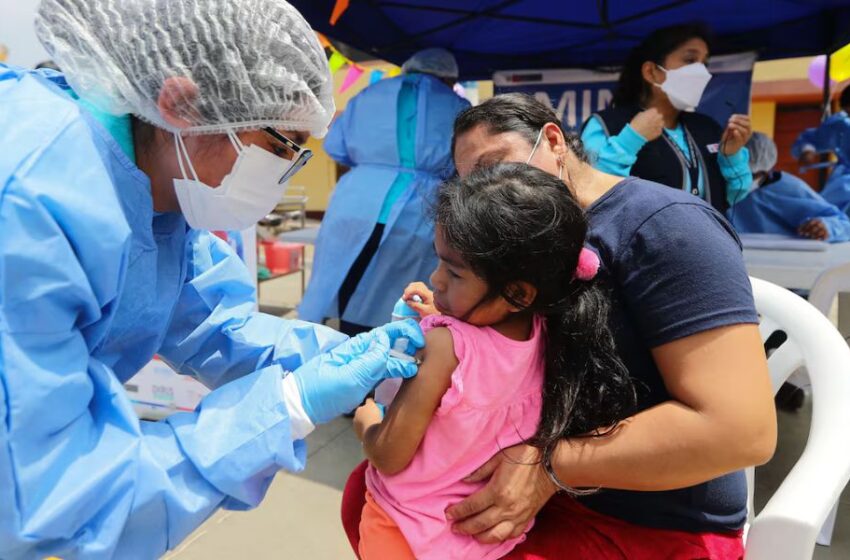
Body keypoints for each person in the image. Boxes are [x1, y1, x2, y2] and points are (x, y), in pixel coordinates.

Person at [0, 1, 425, 558]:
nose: (283, 172)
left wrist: (350, 355)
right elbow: (50, 502)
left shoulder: (162, 177)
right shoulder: (31, 204)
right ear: (180, 104)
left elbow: (214, 324)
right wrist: (288, 405)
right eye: (278, 148)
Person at [342, 93, 776, 559]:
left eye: (495, 167)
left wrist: (549, 465)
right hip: (558, 489)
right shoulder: (520, 238)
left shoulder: (668, 229)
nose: (488, 194)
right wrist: (450, 318)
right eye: (471, 183)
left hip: (650, 519)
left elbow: (740, 429)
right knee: (369, 499)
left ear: (552, 141)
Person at [352, 164, 635, 560]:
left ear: (517, 293)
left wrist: (367, 423)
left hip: (404, 532)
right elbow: (492, 345)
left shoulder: (443, 348)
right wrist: (447, 309)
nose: (436, 279)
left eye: (453, 271)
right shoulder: (547, 331)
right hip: (485, 542)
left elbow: (390, 455)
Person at [299, 47, 470, 336]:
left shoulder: (368, 95)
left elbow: (335, 146)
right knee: (397, 295)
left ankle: (334, 346)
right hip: (420, 208)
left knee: (342, 278)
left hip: (357, 199)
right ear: (449, 78)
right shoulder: (458, 107)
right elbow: (467, 162)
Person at [580, 23, 753, 214]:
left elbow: (735, 194)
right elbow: (589, 191)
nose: (702, 72)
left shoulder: (707, 128)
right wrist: (630, 140)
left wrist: (731, 156)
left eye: (704, 63)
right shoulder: (606, 125)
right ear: (651, 72)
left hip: (707, 242)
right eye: (690, 60)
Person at [729, 132, 850, 242]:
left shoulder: (783, 189)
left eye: (737, 174)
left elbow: (843, 224)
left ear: (762, 174)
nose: (728, 178)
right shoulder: (715, 186)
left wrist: (825, 227)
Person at [792, 85, 850, 214]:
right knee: (831, 218)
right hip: (844, 188)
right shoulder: (841, 124)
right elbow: (812, 138)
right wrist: (808, 150)